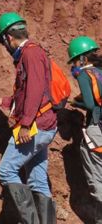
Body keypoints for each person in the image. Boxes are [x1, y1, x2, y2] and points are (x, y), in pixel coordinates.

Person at [0, 12, 57, 224]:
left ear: (8, 38)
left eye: (3, 41)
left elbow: (34, 90)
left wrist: (25, 124)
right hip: (43, 124)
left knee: (5, 170)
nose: (5, 47)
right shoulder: (32, 54)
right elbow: (26, 93)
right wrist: (3, 101)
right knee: (38, 180)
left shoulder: (30, 54)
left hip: (36, 126)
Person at [68, 36, 102, 223]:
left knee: (96, 177)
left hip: (96, 129)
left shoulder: (84, 74)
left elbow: (90, 104)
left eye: (74, 61)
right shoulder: (101, 71)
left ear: (81, 59)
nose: (74, 66)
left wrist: (74, 101)